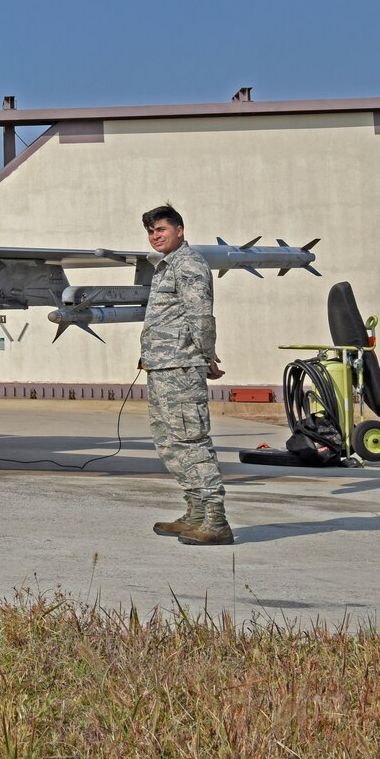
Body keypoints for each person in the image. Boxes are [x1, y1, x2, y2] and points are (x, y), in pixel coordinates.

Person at [138, 204, 232, 545]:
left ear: (180, 229)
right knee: (169, 442)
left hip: (181, 368)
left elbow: (200, 315)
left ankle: (216, 520)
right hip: (163, 367)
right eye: (150, 232)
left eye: (161, 229)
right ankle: (195, 512)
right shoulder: (165, 267)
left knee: (191, 442)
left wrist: (206, 356)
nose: (155, 236)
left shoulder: (189, 264)